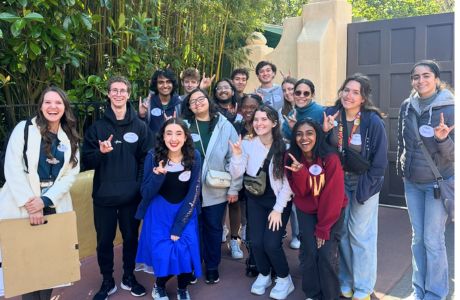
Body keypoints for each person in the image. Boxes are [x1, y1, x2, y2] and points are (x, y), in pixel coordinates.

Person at [0, 86, 80, 300]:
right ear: (41, 105)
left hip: (53, 205)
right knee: (26, 265)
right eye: (48, 102)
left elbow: (70, 175)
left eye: (58, 103)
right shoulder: (24, 129)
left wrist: (45, 200)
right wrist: (31, 204)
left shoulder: (69, 137)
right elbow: (12, 168)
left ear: (65, 107)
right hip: (23, 207)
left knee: (51, 264)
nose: (53, 107)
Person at [82, 76, 151, 300]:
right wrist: (100, 153)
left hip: (131, 197)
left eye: (123, 90)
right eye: (114, 90)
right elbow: (87, 162)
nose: (119, 94)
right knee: (104, 241)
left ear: (129, 94)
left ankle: (129, 276)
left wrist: (139, 187)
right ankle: (107, 280)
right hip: (104, 197)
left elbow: (145, 160)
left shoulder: (141, 127)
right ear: (108, 94)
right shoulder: (96, 128)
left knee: (131, 238)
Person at [322, 73, 387, 300]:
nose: (349, 95)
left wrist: (365, 189)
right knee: (343, 235)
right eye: (346, 90)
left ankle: (364, 287)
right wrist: (324, 131)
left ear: (363, 98)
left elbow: (379, 163)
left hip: (363, 182)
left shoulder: (372, 121)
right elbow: (321, 150)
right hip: (337, 182)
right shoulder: (330, 115)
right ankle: (346, 280)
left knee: (360, 235)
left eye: (355, 92)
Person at [396, 60, 454, 300]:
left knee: (433, 240)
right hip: (413, 183)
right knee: (417, 238)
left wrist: (442, 140)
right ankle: (418, 289)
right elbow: (402, 140)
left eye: (426, 75)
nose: (421, 80)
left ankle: (436, 292)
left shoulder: (450, 108)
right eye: (416, 76)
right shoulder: (407, 106)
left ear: (436, 78)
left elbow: (454, 155)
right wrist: (402, 165)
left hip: (436, 184)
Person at [229, 105, 295, 300]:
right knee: (255, 242)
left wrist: (278, 209)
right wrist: (238, 154)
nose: (259, 123)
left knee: (271, 243)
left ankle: (284, 278)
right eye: (256, 119)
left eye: (264, 119)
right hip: (255, 199)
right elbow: (237, 173)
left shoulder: (286, 146)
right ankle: (264, 274)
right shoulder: (249, 144)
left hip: (278, 201)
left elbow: (288, 184)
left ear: (274, 122)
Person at [135, 118, 202, 300]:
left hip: (185, 211)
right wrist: (157, 176)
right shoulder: (153, 156)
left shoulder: (194, 156)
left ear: (186, 136)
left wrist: (180, 224)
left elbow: (195, 191)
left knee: (186, 251)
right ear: (162, 137)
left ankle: (182, 288)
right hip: (158, 213)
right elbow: (145, 192)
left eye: (178, 133)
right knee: (164, 254)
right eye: (169, 133)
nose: (174, 138)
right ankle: (160, 286)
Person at [181, 88, 242, 284]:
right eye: (193, 101)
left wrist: (234, 188)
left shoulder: (224, 126)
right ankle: (193, 265)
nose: (197, 102)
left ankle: (213, 266)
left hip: (216, 187)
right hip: (188, 188)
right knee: (192, 228)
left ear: (208, 100)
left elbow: (235, 158)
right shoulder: (184, 125)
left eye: (201, 98)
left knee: (214, 227)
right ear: (189, 106)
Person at [285, 118, 348, 300]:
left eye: (309, 133)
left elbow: (332, 196)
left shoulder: (330, 158)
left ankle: (330, 296)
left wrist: (323, 228)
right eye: (299, 134)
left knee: (327, 254)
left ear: (317, 135)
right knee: (310, 252)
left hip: (331, 211)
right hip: (307, 211)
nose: (304, 138)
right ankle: (313, 293)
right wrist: (300, 173)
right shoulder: (292, 158)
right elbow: (301, 192)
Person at [278, 76, 301, 250]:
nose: (288, 93)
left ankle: (300, 234)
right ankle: (291, 233)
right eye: (284, 90)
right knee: (288, 193)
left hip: (303, 154)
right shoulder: (281, 112)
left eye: (290, 89)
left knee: (302, 195)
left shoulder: (306, 110)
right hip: (286, 152)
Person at [139, 68, 181, 136]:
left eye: (168, 82)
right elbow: (140, 130)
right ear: (156, 84)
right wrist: (141, 116)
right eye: (161, 82)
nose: (165, 86)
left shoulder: (179, 103)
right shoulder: (147, 103)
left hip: (174, 144)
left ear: (173, 84)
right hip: (152, 145)